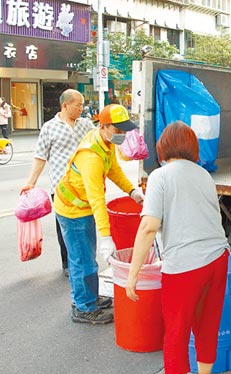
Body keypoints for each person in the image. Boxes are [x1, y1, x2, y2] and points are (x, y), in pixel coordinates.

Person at [125, 122, 230, 374]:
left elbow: (148, 226)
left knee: (176, 332)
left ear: (163, 148)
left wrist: (133, 275)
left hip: (184, 266)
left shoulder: (160, 176)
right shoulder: (204, 175)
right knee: (207, 323)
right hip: (217, 258)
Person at [54, 104, 144, 324]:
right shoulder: (91, 156)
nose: (122, 135)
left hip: (81, 207)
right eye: (118, 130)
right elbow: (97, 200)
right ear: (104, 127)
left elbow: (114, 170)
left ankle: (90, 297)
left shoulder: (105, 143)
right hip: (72, 210)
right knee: (82, 260)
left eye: (125, 130)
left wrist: (132, 191)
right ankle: (83, 307)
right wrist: (106, 236)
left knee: (87, 258)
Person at [22, 89, 95, 276]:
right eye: (78, 104)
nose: (82, 108)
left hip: (83, 187)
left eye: (82, 104)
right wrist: (31, 182)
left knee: (86, 226)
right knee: (65, 228)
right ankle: (68, 265)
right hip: (61, 188)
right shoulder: (49, 127)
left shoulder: (85, 125)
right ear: (65, 105)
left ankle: (86, 263)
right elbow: (40, 157)